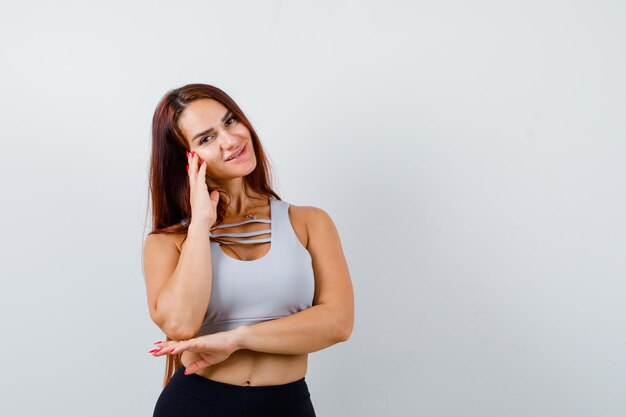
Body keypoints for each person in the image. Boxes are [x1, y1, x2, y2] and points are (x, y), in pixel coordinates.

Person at [141, 83, 354, 417]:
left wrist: (236, 339)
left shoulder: (309, 222)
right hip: (195, 406)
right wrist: (199, 226)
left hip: (287, 407)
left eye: (230, 121)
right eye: (206, 138)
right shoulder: (168, 242)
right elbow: (180, 325)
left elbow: (338, 323)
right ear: (186, 158)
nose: (230, 140)